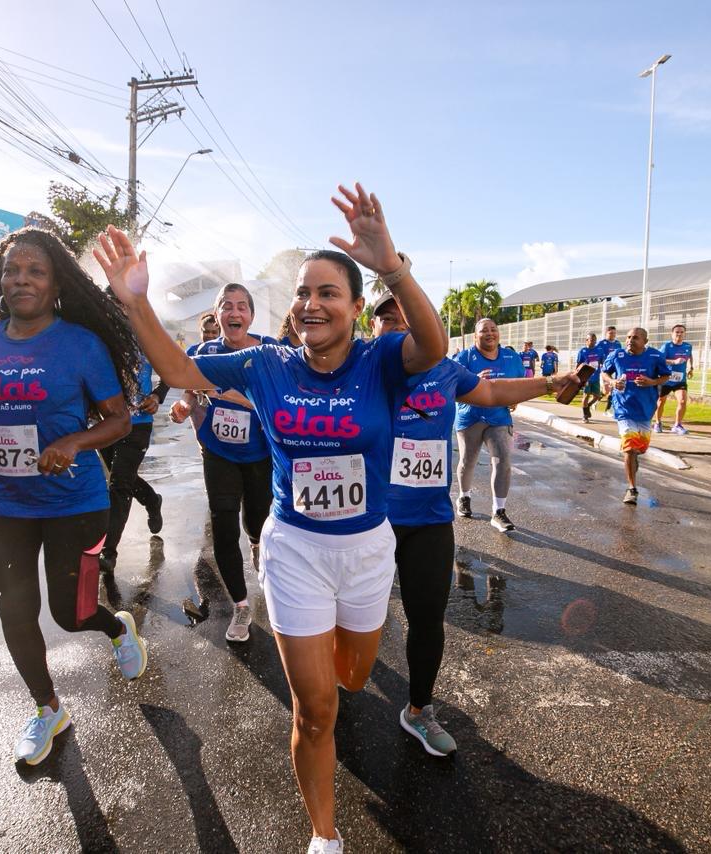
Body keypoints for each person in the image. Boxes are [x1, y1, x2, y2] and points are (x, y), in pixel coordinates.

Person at [94, 183, 447, 854]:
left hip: (368, 550)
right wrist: (133, 301)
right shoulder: (265, 364)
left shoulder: (382, 359)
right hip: (293, 553)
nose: (311, 303)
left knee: (351, 675)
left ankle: (347, 683)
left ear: (351, 306)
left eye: (328, 293)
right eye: (303, 293)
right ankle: (324, 836)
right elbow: (178, 367)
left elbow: (432, 345)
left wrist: (392, 267)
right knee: (317, 711)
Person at [0, 226, 148, 767]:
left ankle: (115, 625)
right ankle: (47, 708)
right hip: (3, 503)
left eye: (35, 271)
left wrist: (75, 441)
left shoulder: (80, 346)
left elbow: (120, 419)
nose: (21, 279)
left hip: (74, 503)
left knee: (70, 613)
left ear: (56, 282)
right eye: (12, 269)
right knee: (15, 612)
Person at [372, 293, 585, 755]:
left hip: (428, 520)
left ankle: (419, 710)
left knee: (427, 619)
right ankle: (333, 692)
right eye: (384, 320)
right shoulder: (359, 369)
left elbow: (491, 393)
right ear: (369, 328)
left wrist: (551, 381)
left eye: (405, 321)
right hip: (366, 522)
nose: (394, 329)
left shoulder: (446, 372)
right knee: (357, 621)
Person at [170, 283, 275, 642]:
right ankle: (241, 606)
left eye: (242, 307)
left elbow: (281, 404)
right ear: (217, 314)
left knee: (258, 522)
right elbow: (189, 391)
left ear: (251, 316)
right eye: (226, 306)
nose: (234, 313)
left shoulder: (268, 352)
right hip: (217, 452)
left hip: (260, 453)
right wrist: (184, 407)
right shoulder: (201, 352)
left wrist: (237, 398)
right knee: (224, 526)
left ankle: (259, 546)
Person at [97, 350, 168, 576]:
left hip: (138, 423)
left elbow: (170, 369)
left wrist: (157, 395)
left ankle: (108, 552)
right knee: (123, 478)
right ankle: (151, 500)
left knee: (119, 485)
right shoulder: (97, 338)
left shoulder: (144, 338)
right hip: (105, 423)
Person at [452, 317, 524, 532]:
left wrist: (515, 400)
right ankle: (464, 497)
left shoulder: (511, 358)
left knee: (502, 460)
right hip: (470, 416)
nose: (490, 333)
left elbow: (520, 385)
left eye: (494, 329)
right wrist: (474, 380)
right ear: (476, 336)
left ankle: (499, 511)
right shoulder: (463, 358)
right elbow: (451, 386)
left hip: (499, 417)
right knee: (468, 461)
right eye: (484, 330)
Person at [602, 327, 671, 505]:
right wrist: (612, 382)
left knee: (640, 449)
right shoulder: (617, 355)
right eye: (628, 337)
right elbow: (605, 372)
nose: (630, 340)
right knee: (629, 448)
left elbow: (665, 376)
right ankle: (632, 489)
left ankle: (633, 460)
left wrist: (652, 382)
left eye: (636, 338)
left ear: (645, 342)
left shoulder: (655, 356)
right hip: (623, 408)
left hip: (645, 409)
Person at [653, 324, 693, 434]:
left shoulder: (688, 346)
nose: (679, 334)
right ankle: (657, 422)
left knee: (683, 401)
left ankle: (677, 425)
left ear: (685, 334)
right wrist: (674, 362)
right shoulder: (666, 346)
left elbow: (689, 357)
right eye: (677, 332)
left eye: (681, 332)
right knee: (661, 402)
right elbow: (660, 360)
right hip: (666, 378)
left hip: (680, 380)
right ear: (672, 334)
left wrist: (691, 367)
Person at [596, 325, 624, 414]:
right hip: (605, 369)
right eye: (610, 333)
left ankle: (608, 409)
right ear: (606, 333)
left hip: (615, 370)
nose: (612, 335)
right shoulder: (601, 343)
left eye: (614, 333)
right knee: (606, 390)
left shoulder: (618, 344)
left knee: (613, 389)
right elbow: (597, 356)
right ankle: (597, 400)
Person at [576, 332, 603, 422]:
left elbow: (602, 362)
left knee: (597, 396)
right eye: (591, 340)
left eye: (594, 340)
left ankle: (588, 407)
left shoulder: (599, 350)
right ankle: (585, 416)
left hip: (596, 377)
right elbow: (578, 364)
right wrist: (578, 376)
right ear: (586, 341)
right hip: (586, 377)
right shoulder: (582, 351)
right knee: (586, 395)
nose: (593, 342)